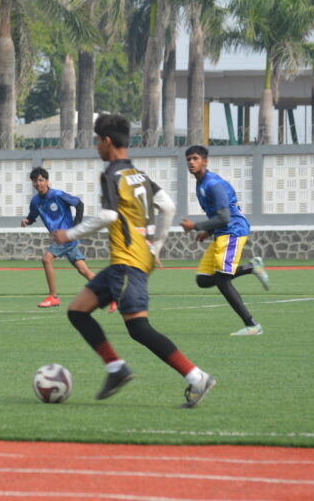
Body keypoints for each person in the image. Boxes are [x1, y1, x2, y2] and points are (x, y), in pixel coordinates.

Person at [53, 113, 215, 408]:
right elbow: (167, 206)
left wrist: (69, 234)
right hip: (128, 262)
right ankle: (116, 368)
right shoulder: (138, 174)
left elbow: (108, 215)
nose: (96, 147)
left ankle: (197, 377)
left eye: (97, 141)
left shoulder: (112, 174)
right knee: (77, 311)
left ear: (107, 141)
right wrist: (157, 247)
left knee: (139, 328)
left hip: (128, 263)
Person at [180, 145, 270, 337]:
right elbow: (217, 216)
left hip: (233, 230)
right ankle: (251, 268)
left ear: (205, 161)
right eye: (188, 159)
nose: (191, 162)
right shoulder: (200, 183)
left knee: (222, 279)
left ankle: (252, 325)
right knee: (203, 280)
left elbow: (225, 217)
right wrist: (208, 231)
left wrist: (196, 226)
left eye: (195, 158)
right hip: (221, 232)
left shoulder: (213, 184)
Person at [21, 167, 104, 309]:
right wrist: (27, 221)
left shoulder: (57, 195)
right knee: (83, 270)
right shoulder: (35, 201)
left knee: (46, 259)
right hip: (60, 239)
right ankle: (109, 293)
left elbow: (79, 204)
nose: (38, 183)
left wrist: (76, 228)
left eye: (41, 180)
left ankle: (53, 297)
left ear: (47, 181)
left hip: (66, 237)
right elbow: (32, 216)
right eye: (35, 181)